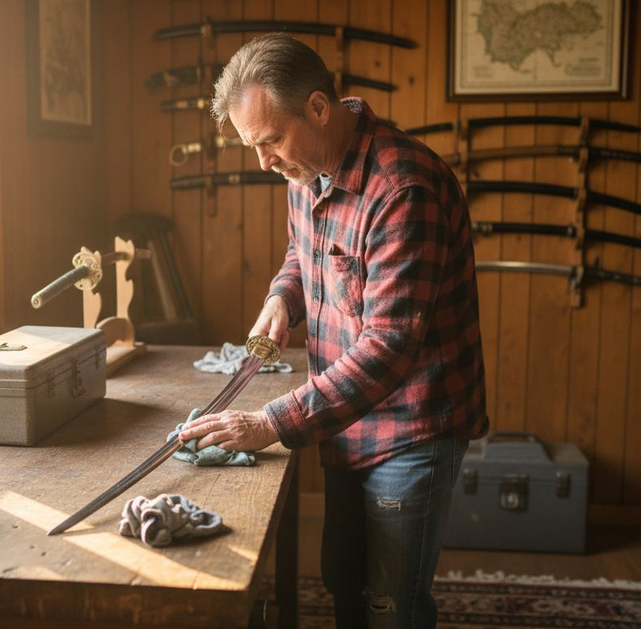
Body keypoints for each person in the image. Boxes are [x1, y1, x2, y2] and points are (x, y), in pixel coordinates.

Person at [178, 33, 488, 629]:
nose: (264, 162)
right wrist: (281, 299)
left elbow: (388, 348)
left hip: (412, 428)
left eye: (269, 141)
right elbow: (304, 253)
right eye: (253, 146)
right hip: (344, 417)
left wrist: (268, 423)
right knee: (345, 581)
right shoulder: (306, 169)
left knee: (390, 606)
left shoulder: (403, 189)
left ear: (318, 108)